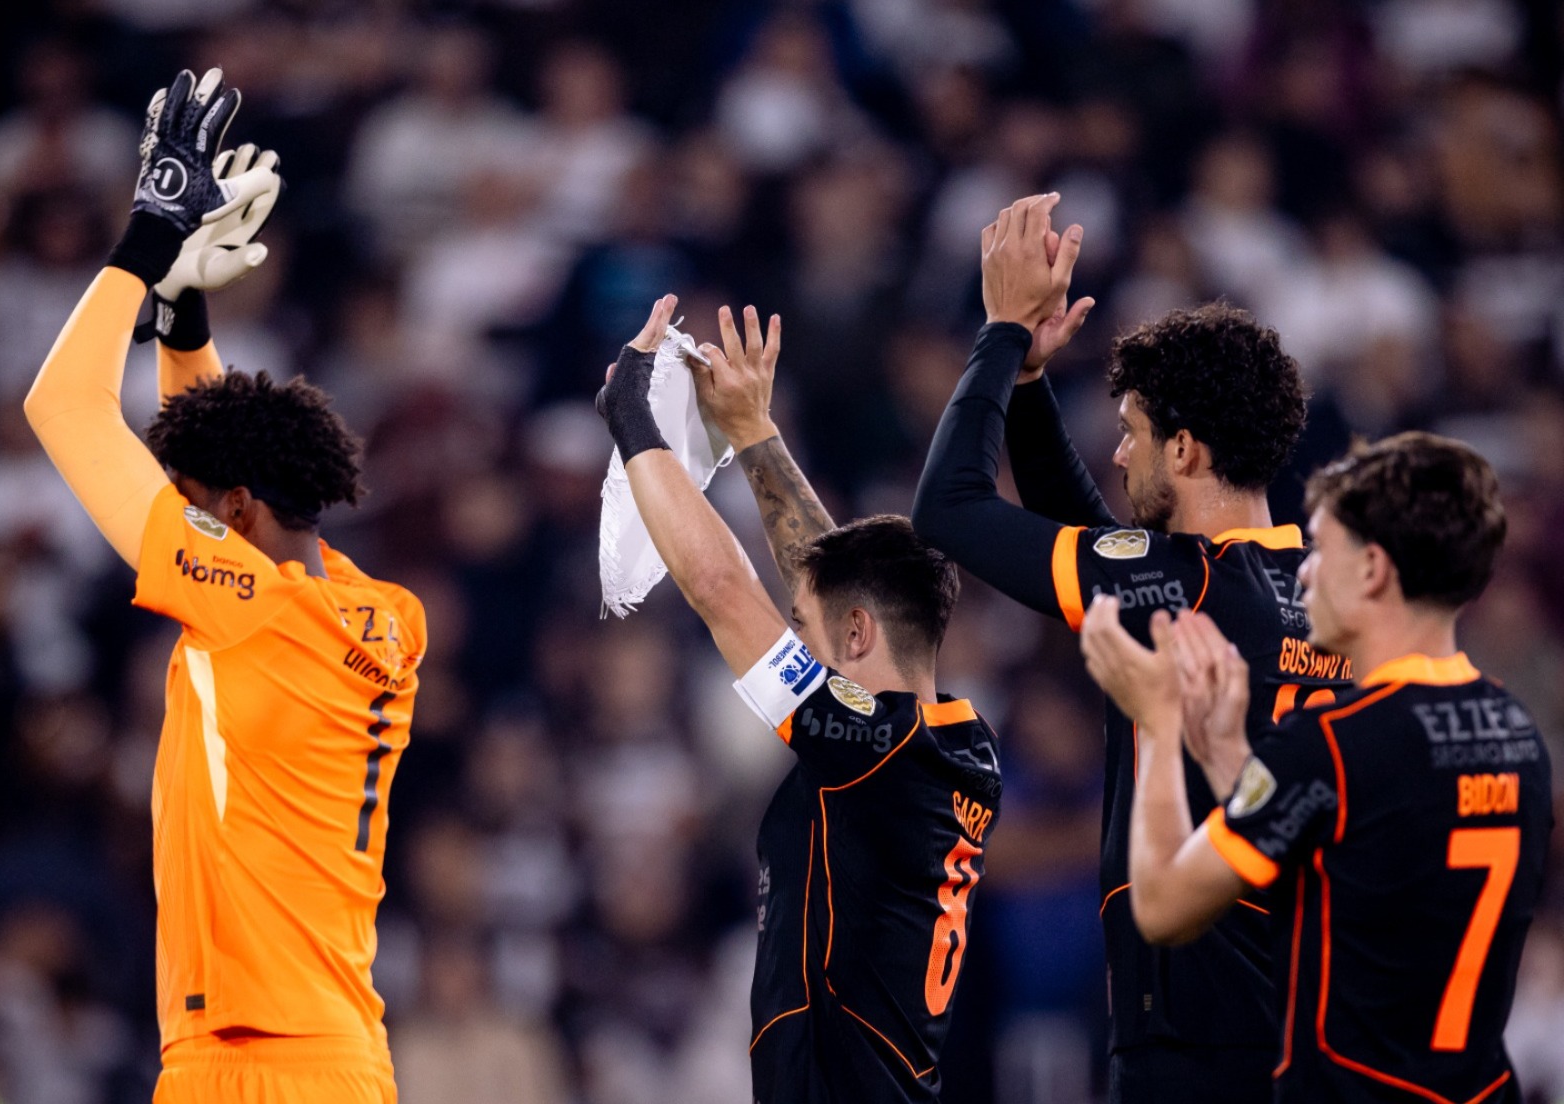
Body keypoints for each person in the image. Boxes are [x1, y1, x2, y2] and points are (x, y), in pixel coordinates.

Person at [23, 69, 419, 1103]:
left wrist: (150, 231)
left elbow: (61, 407)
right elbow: (221, 461)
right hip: (344, 1057)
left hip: (247, 1066)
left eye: (187, 499)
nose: (169, 508)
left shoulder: (249, 609)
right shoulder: (381, 614)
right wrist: (184, 315)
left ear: (233, 513)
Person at [912, 192, 1351, 1101]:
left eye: (1133, 436)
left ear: (1185, 450)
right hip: (1316, 1022)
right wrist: (1030, 385)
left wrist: (998, 335)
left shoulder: (1175, 583)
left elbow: (948, 509)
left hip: (1193, 1039)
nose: (1118, 457)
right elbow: (1099, 542)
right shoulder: (1319, 589)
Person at [599, 295, 1001, 1103]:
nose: (792, 644)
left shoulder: (874, 750)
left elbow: (719, 590)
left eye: (801, 632)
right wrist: (751, 430)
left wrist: (632, 420)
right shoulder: (949, 744)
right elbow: (831, 582)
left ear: (855, 637)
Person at [1080, 431, 1552, 1103]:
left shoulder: (1333, 743)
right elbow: (1346, 868)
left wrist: (1156, 723)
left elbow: (1160, 908)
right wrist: (1225, 759)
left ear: (1373, 571)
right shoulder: (1517, 734)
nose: (1302, 571)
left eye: (1322, 549)